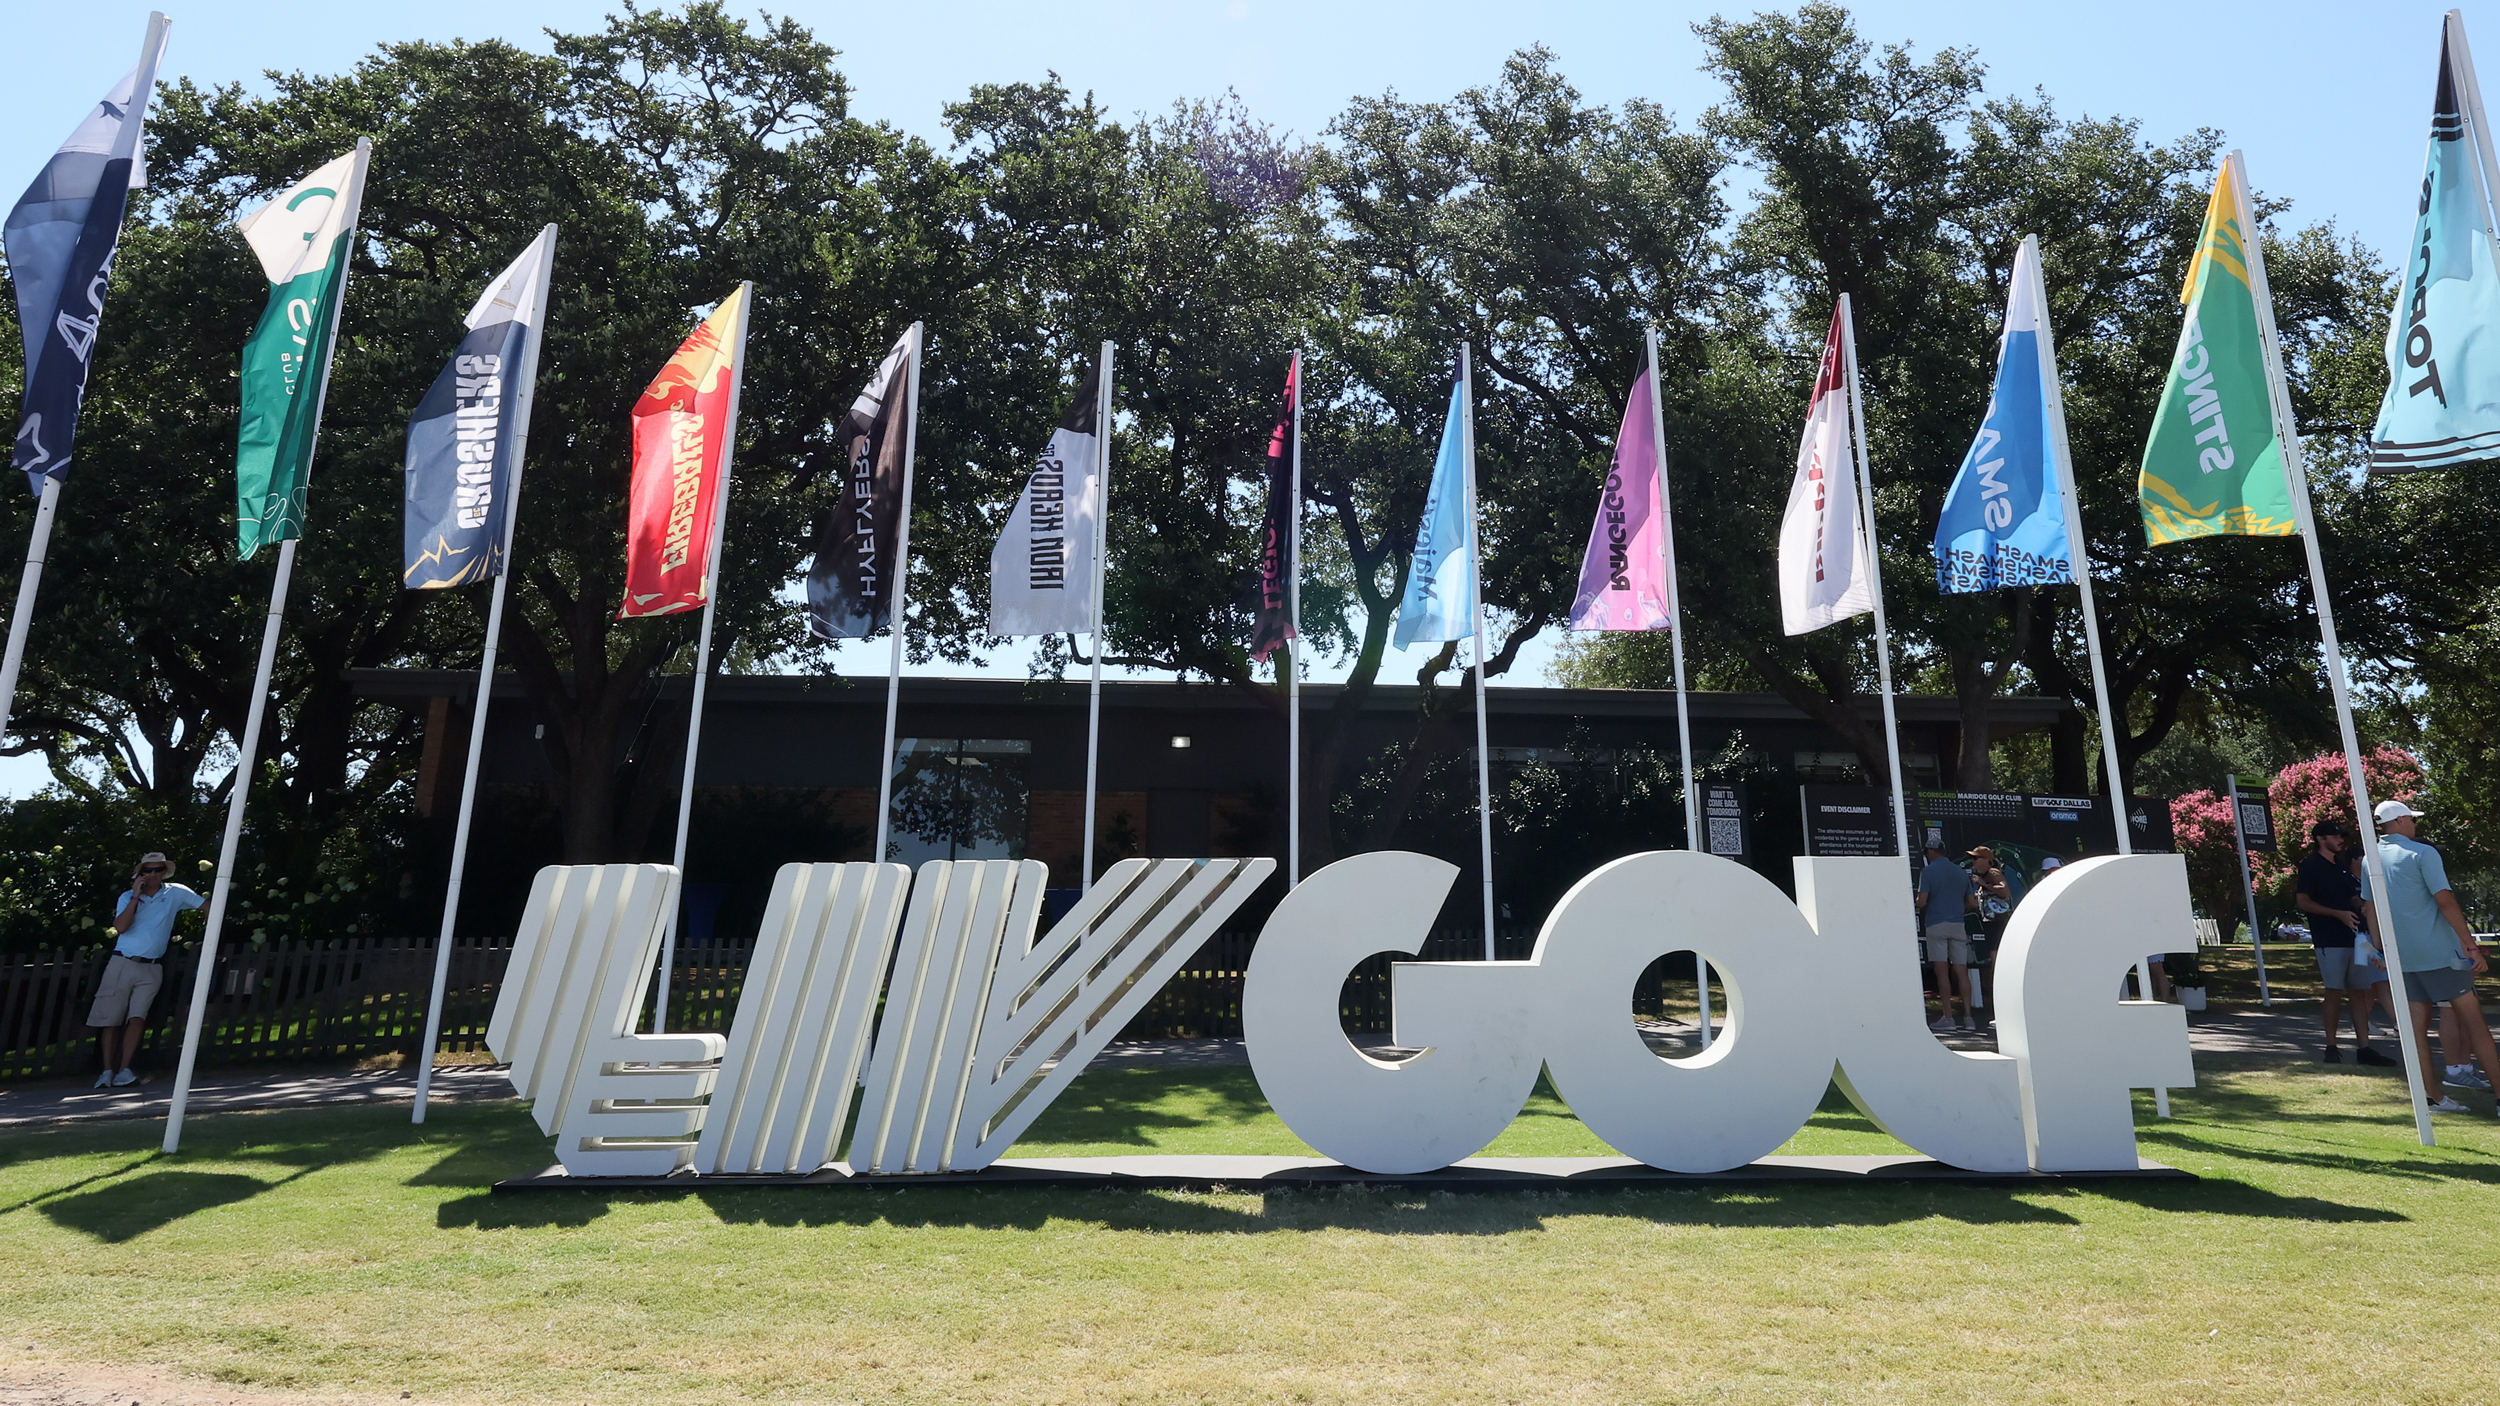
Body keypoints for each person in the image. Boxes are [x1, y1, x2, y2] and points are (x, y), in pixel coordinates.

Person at [2360, 801, 2498, 1115]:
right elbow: (2445, 901)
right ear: (2400, 821)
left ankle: (2431, 1098)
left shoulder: (2370, 859)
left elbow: (2371, 910)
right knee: (2476, 1025)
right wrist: (2471, 946)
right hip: (2440, 954)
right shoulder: (2422, 853)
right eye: (2411, 819)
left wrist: (2380, 952)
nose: (2414, 825)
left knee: (2415, 1032)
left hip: (2403, 959)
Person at [87, 851, 205, 1088]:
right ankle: (107, 1071)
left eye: (157, 870)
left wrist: (209, 937)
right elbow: (121, 927)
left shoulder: (176, 892)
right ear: (140, 873)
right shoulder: (126, 896)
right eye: (147, 870)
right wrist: (135, 897)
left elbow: (208, 907)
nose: (153, 875)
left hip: (151, 967)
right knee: (111, 1019)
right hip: (122, 962)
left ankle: (124, 1070)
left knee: (137, 1018)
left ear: (164, 872)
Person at [2295, 820, 2396, 1066]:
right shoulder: (2310, 866)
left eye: (2342, 835)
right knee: (2334, 992)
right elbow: (2303, 902)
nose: (2341, 840)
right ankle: (2331, 1045)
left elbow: (2352, 896)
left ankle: (2364, 1048)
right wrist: (2336, 913)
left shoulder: (2341, 867)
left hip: (2357, 939)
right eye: (2336, 835)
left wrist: (2362, 906)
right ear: (2321, 838)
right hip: (2330, 940)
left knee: (2360, 993)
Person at [1915, 838, 1976, 1033]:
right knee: (1962, 971)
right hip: (1958, 923)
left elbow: (1922, 901)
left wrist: (1917, 902)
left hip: (1936, 924)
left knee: (1941, 972)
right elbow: (1972, 903)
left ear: (1931, 852)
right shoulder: (1959, 872)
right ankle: (1969, 1018)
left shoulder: (1928, 872)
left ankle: (1948, 1017)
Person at [1966, 846, 2025, 1028]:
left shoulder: (1992, 872)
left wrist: (1984, 884)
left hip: (1997, 924)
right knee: (1992, 962)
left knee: (1996, 962)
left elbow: (2004, 891)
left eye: (1977, 859)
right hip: (1990, 924)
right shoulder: (1985, 876)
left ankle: (2004, 1008)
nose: (1974, 862)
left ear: (1987, 859)